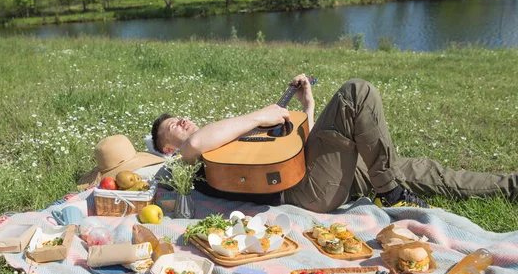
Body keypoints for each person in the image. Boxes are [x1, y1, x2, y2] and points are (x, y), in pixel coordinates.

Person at [151, 76, 517, 213]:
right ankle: (389, 192)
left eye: (180, 117)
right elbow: (195, 143)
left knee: (426, 171)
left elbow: (286, 152)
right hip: (304, 193)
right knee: (356, 93)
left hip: (313, 171)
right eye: (172, 127)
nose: (181, 122)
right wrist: (259, 115)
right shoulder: (181, 166)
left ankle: (510, 186)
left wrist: (307, 106)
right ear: (167, 149)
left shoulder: (225, 137)